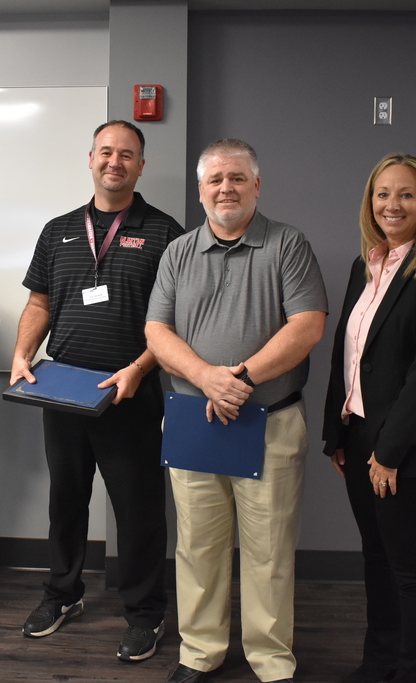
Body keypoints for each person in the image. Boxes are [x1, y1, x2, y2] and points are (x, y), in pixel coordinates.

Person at [146, 138, 328, 683]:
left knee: (268, 550)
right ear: (200, 190)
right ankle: (199, 652)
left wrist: (241, 379)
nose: (226, 188)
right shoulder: (178, 252)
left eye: (237, 178)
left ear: (256, 185)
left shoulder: (287, 245)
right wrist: (205, 378)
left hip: (267, 420)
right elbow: (157, 330)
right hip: (192, 421)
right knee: (198, 546)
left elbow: (308, 325)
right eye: (215, 180)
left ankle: (271, 661)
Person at [11, 120, 184, 661]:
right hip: (63, 391)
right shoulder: (58, 229)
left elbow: (177, 320)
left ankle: (145, 613)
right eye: (106, 152)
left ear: (140, 165)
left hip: (130, 393)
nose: (115, 162)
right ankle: (63, 594)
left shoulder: (164, 232)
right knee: (65, 502)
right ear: (90, 159)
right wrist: (20, 353)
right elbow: (39, 303)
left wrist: (138, 368)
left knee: (138, 511)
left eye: (126, 154)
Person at [322, 153, 416, 683]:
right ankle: (377, 666)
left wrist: (388, 453)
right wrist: (338, 433)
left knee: (411, 576)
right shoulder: (366, 265)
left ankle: (413, 674)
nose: (393, 204)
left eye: (406, 194)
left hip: (411, 450)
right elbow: (349, 354)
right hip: (362, 440)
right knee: (378, 567)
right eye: (383, 193)